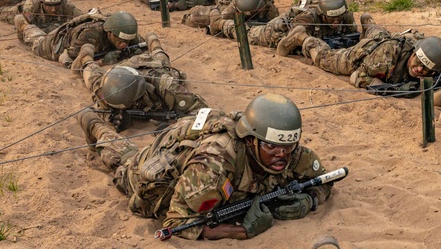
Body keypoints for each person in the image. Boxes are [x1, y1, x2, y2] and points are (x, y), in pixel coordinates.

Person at [78, 93, 335, 240]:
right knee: (121, 160)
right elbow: (177, 223)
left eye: (288, 146)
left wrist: (310, 201)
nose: (282, 154)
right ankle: (93, 123)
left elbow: (325, 179)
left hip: (188, 164)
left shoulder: (287, 148)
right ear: (250, 140)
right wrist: (241, 232)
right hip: (150, 174)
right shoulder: (214, 166)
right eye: (271, 147)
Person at [72, 32, 207, 130]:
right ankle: (86, 56)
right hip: (123, 70)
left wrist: (177, 127)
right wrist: (114, 118)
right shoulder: (108, 87)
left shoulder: (166, 86)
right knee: (91, 74)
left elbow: (202, 111)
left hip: (152, 66)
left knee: (161, 57)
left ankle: (152, 39)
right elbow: (100, 107)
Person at [278, 18, 441, 91]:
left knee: (380, 35)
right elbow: (357, 76)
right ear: (413, 53)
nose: (419, 69)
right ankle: (301, 37)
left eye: (425, 69)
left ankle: (369, 24)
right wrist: (383, 87)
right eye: (418, 62)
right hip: (361, 56)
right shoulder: (383, 61)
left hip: (385, 41)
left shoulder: (433, 57)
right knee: (325, 59)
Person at [207, 0, 358, 50]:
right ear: (322, 14)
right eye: (331, 18)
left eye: (339, 17)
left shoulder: (346, 16)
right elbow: (290, 42)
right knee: (245, 33)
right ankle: (220, 23)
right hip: (277, 32)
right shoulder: (307, 19)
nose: (336, 21)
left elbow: (353, 36)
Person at [15, 10, 143, 67]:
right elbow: (65, 60)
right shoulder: (91, 36)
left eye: (127, 41)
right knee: (37, 39)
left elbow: (143, 45)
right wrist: (102, 62)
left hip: (71, 35)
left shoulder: (125, 33)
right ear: (109, 32)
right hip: (54, 47)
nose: (124, 43)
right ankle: (23, 24)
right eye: (120, 40)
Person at [14, 0, 83, 32]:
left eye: (56, 5)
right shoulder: (31, 4)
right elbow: (28, 25)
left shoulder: (65, 4)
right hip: (18, 10)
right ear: (42, 3)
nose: (53, 9)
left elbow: (81, 16)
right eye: (49, 6)